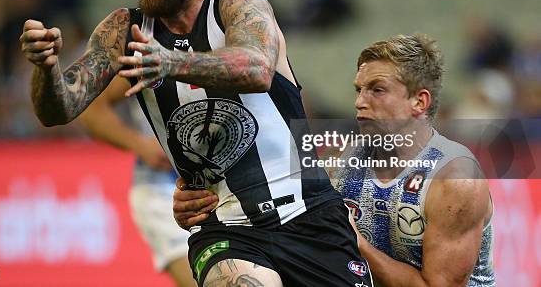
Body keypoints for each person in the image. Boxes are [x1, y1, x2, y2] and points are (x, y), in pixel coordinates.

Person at [20, 0, 371, 287]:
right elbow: (58, 109)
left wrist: (170, 62)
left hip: (312, 217)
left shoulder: (238, 1)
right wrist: (45, 68)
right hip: (225, 231)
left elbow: (256, 69)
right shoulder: (123, 30)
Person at [175, 34, 495, 286]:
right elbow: (270, 204)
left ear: (419, 101)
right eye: (358, 89)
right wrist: (203, 202)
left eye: (377, 90)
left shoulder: (455, 178)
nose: (359, 102)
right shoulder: (339, 159)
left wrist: (359, 246)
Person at [77, 0, 234, 287]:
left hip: (233, 187)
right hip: (164, 187)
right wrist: (142, 145)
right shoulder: (151, 37)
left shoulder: (242, 29)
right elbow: (92, 109)